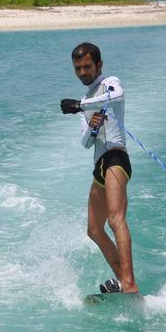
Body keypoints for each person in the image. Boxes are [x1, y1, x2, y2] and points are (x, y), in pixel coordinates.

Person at [59, 42, 139, 294]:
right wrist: (92, 125)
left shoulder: (110, 84)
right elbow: (85, 142)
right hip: (99, 165)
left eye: (87, 66)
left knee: (116, 219)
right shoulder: (86, 99)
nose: (83, 72)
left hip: (116, 158)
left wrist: (81, 107)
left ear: (99, 65)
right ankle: (122, 279)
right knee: (94, 229)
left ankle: (129, 283)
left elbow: (118, 97)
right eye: (78, 68)